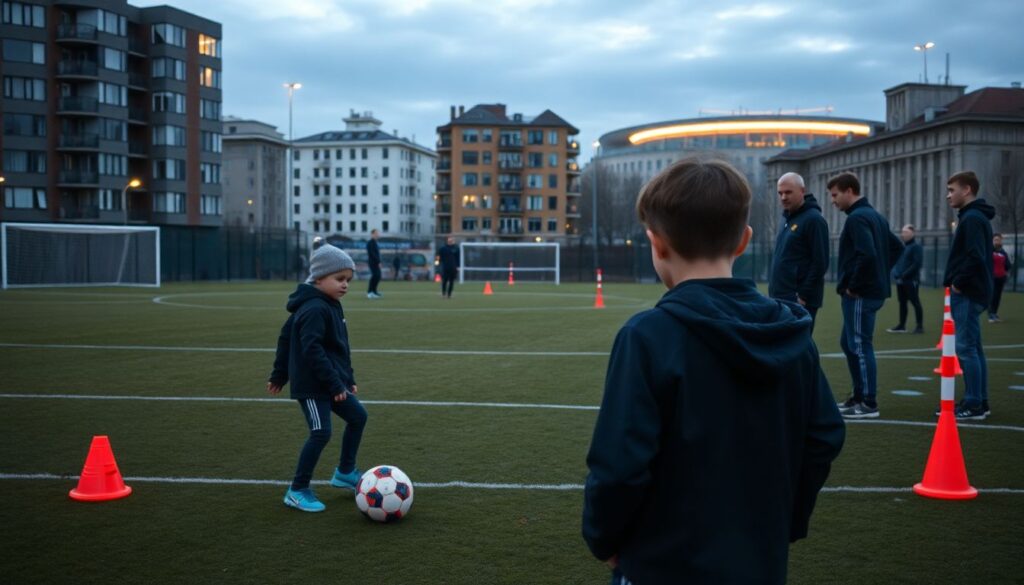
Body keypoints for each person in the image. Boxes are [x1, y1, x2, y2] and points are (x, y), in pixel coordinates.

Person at [582, 157, 845, 585]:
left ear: (657, 243)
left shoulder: (648, 336)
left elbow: (619, 467)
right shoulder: (793, 332)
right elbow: (823, 437)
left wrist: (604, 538)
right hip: (758, 561)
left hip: (660, 566)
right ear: (744, 241)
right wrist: (783, 522)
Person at [267, 244, 368, 512]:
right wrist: (281, 374)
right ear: (319, 278)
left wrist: (347, 378)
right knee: (321, 432)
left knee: (358, 417)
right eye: (339, 279)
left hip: (333, 382)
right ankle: (297, 489)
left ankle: (345, 472)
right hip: (314, 386)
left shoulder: (331, 304)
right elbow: (306, 348)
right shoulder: (313, 308)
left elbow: (338, 348)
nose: (345, 285)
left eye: (348, 280)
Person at [829, 171, 904, 419]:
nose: (833, 200)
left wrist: (855, 283)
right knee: (848, 342)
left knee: (860, 345)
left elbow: (868, 254)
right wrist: (881, 274)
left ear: (849, 191)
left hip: (860, 294)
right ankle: (858, 395)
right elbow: (897, 247)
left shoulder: (858, 218)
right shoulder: (875, 217)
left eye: (835, 195)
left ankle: (869, 402)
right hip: (869, 291)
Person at [943, 171, 995, 420]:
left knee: (966, 348)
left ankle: (974, 403)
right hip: (974, 290)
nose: (948, 195)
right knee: (973, 347)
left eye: (952, 190)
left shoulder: (972, 218)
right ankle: (979, 400)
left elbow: (974, 255)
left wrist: (958, 284)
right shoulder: (973, 217)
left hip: (968, 291)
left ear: (967, 190)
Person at [768, 172, 830, 329]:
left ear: (802, 191)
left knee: (799, 347)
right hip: (780, 296)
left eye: (788, 192)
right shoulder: (787, 218)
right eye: (780, 193)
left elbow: (821, 262)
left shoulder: (814, 220)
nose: (783, 197)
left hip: (798, 299)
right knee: (782, 346)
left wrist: (803, 294)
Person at [887, 224, 924, 334]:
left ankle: (919, 326)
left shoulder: (916, 247)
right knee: (902, 302)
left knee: (915, 302)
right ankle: (901, 325)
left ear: (913, 233)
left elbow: (917, 264)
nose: (903, 234)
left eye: (906, 232)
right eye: (903, 232)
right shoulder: (903, 247)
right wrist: (897, 274)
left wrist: (904, 275)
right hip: (901, 281)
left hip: (911, 280)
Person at [990, 233, 1012, 323]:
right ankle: (991, 315)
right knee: (992, 296)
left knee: (998, 296)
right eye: (995, 240)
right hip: (992, 278)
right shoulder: (989, 251)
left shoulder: (1003, 252)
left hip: (1001, 278)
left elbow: (1008, 265)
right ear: (992, 241)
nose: (997, 241)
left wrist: (1005, 272)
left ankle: (994, 313)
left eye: (998, 240)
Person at [366, 229, 382, 299]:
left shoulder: (375, 242)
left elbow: (377, 254)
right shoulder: (370, 243)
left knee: (378, 276)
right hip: (372, 262)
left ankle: (374, 291)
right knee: (375, 276)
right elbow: (372, 254)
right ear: (372, 234)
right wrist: (378, 261)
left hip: (376, 262)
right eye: (376, 233)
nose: (377, 234)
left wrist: (379, 261)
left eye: (377, 233)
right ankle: (370, 292)